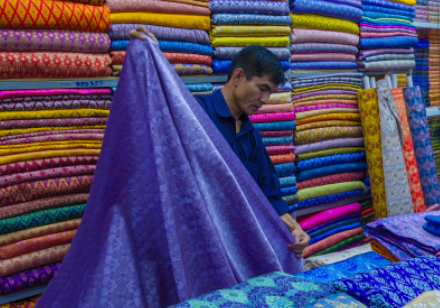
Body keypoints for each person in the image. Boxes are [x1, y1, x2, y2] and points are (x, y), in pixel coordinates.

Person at [129, 26, 310, 257]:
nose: (265, 100)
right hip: (195, 245)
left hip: (235, 244)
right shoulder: (195, 114)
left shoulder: (250, 134)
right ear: (238, 77)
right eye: (262, 89)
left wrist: (294, 227)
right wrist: (148, 56)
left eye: (270, 94)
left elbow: (267, 190)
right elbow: (154, 114)